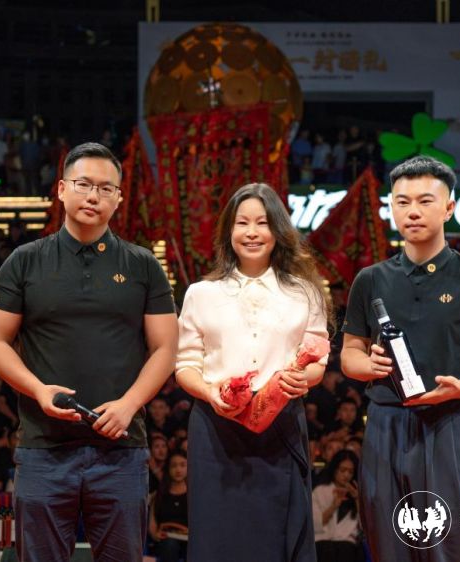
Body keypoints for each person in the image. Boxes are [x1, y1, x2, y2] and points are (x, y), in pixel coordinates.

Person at [0, 142, 178, 562]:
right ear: (61, 189)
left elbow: (165, 348)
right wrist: (38, 390)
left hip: (121, 449)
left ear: (119, 198)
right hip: (43, 448)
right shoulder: (25, 261)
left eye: (106, 188)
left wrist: (130, 404)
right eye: (83, 184)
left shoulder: (143, 264)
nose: (93, 196)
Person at [340, 155, 460, 562]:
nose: (413, 211)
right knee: (387, 545)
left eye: (425, 201)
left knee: (450, 546)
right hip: (385, 423)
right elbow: (349, 354)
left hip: (449, 423)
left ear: (449, 208)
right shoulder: (370, 280)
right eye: (402, 202)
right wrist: (366, 365)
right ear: (391, 208)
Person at [176, 182, 331, 562]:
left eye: (262, 223)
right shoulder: (201, 293)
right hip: (216, 426)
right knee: (217, 539)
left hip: (280, 424)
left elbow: (318, 360)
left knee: (277, 536)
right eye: (242, 223)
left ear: (277, 231)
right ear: (228, 231)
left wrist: (304, 378)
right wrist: (210, 392)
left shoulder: (305, 292)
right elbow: (185, 364)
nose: (251, 232)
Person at [311, 449, 363, 562]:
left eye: (350, 472)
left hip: (347, 546)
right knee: (326, 549)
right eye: (343, 470)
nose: (346, 475)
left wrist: (357, 499)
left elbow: (363, 528)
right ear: (334, 469)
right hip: (323, 542)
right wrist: (333, 506)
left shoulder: (358, 495)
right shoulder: (320, 491)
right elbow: (314, 524)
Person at [149, 450, 189, 562]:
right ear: (168, 469)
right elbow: (152, 525)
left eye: (182, 465)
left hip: (189, 539)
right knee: (170, 545)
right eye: (174, 466)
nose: (178, 470)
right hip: (166, 539)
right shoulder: (159, 494)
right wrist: (155, 534)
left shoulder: (194, 495)